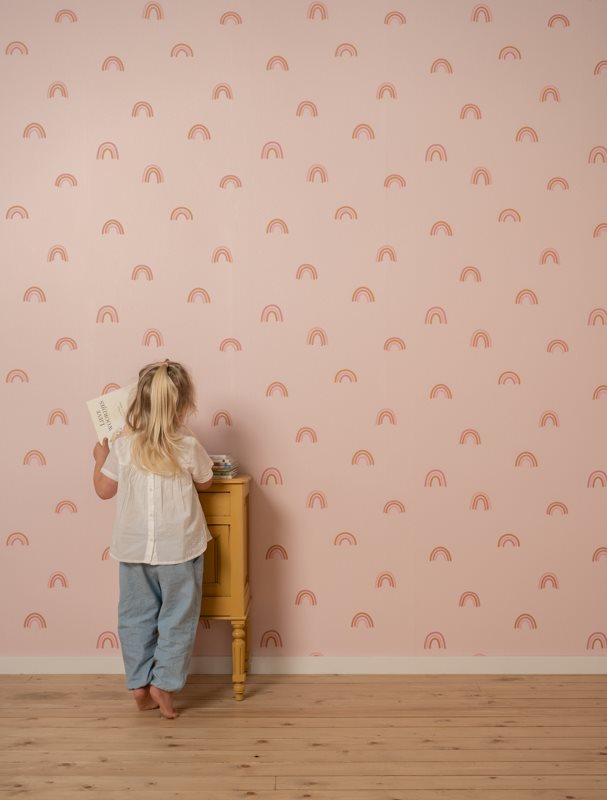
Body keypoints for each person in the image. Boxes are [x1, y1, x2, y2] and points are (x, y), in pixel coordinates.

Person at [92, 359, 215, 718]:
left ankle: (138, 685)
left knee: (134, 617)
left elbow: (103, 490)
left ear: (138, 403)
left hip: (133, 551)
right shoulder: (188, 444)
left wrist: (99, 457)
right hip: (180, 549)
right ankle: (163, 684)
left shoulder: (123, 447)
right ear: (182, 405)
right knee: (177, 618)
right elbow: (206, 482)